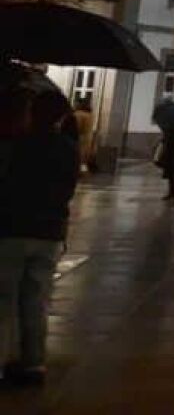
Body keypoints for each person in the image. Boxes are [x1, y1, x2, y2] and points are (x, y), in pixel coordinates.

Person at [0, 90, 78, 387]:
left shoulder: (16, 145)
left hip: (12, 229)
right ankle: (33, 363)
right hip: (49, 232)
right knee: (36, 300)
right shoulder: (69, 149)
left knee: (4, 299)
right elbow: (69, 187)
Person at [70, 97, 96, 175]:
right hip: (88, 139)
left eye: (75, 103)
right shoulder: (90, 115)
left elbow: (76, 127)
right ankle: (84, 173)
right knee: (84, 160)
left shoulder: (78, 115)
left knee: (77, 158)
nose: (74, 105)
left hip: (79, 139)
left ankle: (77, 173)